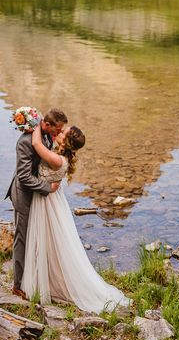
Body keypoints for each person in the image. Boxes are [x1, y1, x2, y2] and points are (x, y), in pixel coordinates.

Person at [21, 123, 130, 313]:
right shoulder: (61, 156)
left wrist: (35, 121)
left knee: (53, 241)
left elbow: (37, 144)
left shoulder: (58, 160)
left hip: (49, 204)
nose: (59, 132)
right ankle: (48, 280)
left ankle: (53, 284)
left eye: (62, 132)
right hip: (50, 200)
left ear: (67, 142)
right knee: (49, 241)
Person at [5, 108, 68, 297]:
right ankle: (18, 286)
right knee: (22, 239)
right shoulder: (26, 142)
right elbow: (23, 176)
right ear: (47, 124)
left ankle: (37, 277)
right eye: (58, 128)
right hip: (24, 194)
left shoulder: (45, 135)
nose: (59, 133)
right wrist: (47, 187)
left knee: (39, 235)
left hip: (38, 196)